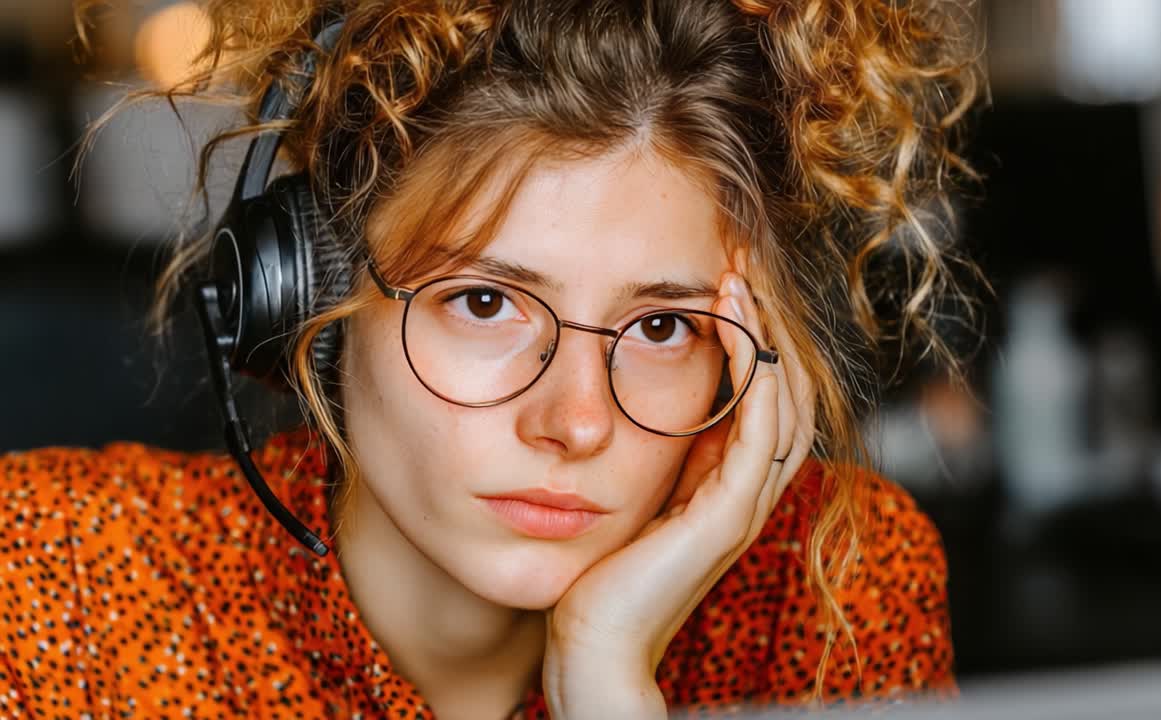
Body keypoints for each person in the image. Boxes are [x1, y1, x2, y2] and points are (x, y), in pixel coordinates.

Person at [1, 0, 980, 717]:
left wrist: (605, 682)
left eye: (659, 328)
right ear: (313, 296)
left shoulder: (828, 597)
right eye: (484, 302)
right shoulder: (56, 572)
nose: (577, 421)